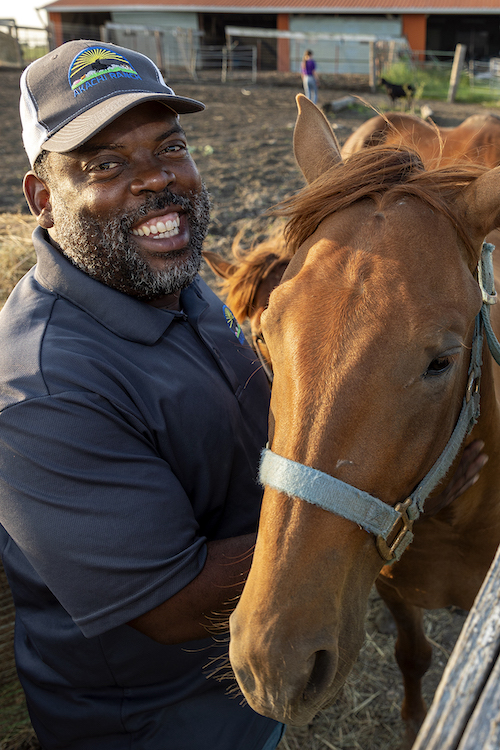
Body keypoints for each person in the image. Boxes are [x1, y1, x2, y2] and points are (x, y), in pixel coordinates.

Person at [0, 38, 487, 750]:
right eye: (104, 164)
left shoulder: (176, 283)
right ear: (43, 199)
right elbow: (170, 605)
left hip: (256, 676)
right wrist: (405, 498)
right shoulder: (35, 393)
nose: (153, 180)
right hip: (157, 724)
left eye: (169, 148)